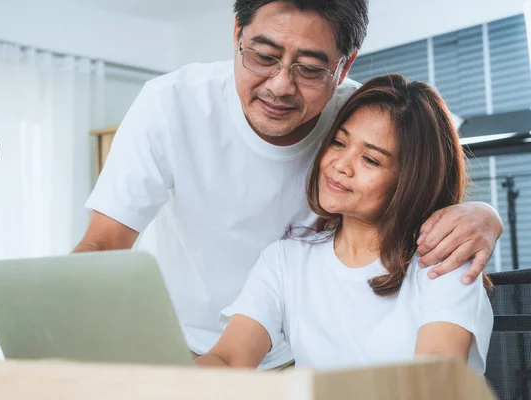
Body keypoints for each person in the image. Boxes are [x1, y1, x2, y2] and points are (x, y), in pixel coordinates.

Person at [75, 1, 502, 369]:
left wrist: (484, 214)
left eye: (311, 69)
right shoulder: (285, 260)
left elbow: (435, 380)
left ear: (344, 65)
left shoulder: (358, 111)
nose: (280, 86)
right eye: (263, 56)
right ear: (238, 34)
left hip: (291, 362)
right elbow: (106, 242)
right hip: (190, 344)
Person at [196, 74, 494, 374]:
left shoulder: (443, 262)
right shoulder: (285, 261)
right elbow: (230, 358)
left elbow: (435, 384)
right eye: (339, 143)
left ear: (411, 180)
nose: (340, 165)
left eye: (370, 160)